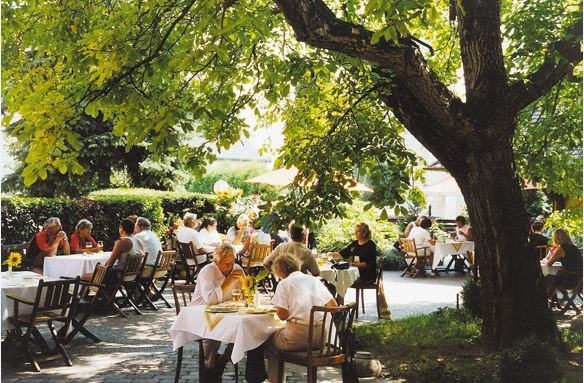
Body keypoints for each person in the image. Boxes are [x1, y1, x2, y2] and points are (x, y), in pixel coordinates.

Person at [190, 244, 265, 382]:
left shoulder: (237, 269)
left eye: (232, 262)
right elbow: (211, 300)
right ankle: (210, 367)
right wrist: (227, 282)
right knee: (212, 335)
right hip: (202, 313)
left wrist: (244, 282)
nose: (230, 266)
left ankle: (221, 364)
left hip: (227, 313)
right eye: (226, 263)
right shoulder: (207, 271)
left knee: (248, 331)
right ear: (216, 262)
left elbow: (248, 297)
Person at [266, 254, 337, 383]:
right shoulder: (314, 280)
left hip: (297, 338)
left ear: (280, 271)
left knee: (269, 340)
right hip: (321, 338)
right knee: (281, 334)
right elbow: (333, 305)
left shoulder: (284, 283)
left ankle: (275, 381)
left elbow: (282, 315)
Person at [543, 229, 583, 299]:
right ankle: (553, 300)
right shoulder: (574, 247)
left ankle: (547, 300)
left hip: (570, 280)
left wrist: (549, 255)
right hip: (580, 279)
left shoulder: (561, 248)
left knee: (550, 278)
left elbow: (549, 263)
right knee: (556, 276)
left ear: (556, 238)